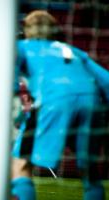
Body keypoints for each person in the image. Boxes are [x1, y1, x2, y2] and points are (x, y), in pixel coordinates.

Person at [11, 10, 109, 200]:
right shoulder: (73, 51)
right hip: (92, 103)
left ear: (28, 30)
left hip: (54, 101)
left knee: (20, 164)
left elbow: (8, 69)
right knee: (90, 172)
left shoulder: (23, 46)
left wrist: (14, 99)